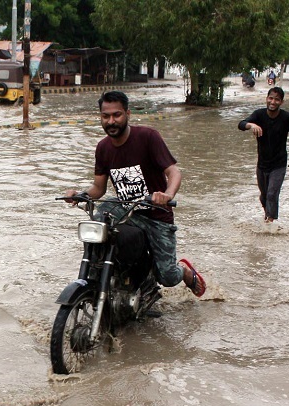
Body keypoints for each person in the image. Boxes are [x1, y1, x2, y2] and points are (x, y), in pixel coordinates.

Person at [64, 90, 206, 298]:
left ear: (128, 114)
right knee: (98, 220)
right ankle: (99, 276)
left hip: (156, 213)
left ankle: (183, 271)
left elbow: (173, 172)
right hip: (125, 208)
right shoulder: (103, 148)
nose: (111, 121)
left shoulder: (148, 137)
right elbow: (99, 189)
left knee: (166, 277)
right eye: (106, 116)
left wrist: (166, 194)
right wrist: (79, 194)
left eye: (117, 115)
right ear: (101, 117)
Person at [238, 86, 289, 223]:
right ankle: (268, 215)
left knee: (272, 194)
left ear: (281, 102)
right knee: (264, 196)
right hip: (262, 164)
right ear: (266, 99)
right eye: (271, 98)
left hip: (279, 164)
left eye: (277, 100)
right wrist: (251, 125)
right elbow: (241, 124)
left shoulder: (286, 117)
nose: (273, 102)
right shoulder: (259, 115)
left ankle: (270, 223)